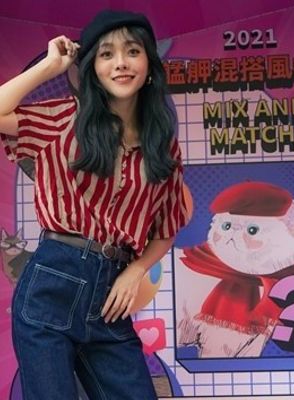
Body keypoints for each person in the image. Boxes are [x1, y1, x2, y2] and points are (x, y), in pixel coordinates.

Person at [0, 9, 188, 400]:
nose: (120, 62)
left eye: (132, 51)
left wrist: (136, 270)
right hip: (52, 284)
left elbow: (167, 227)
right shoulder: (65, 119)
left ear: (148, 66)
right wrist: (49, 66)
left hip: (109, 298)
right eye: (106, 54)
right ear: (94, 70)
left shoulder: (163, 146)